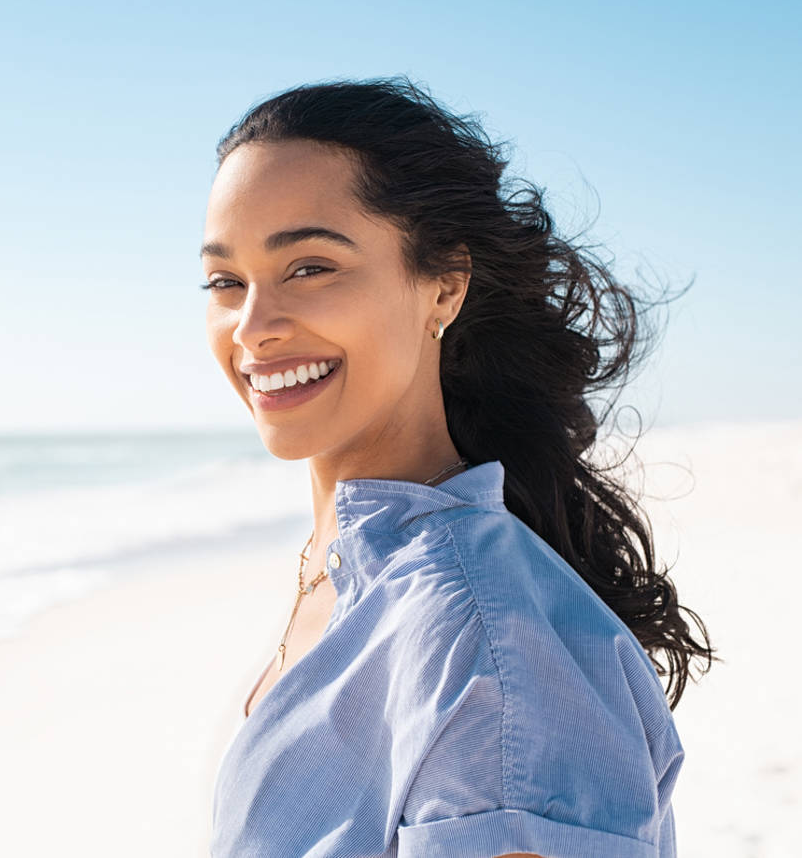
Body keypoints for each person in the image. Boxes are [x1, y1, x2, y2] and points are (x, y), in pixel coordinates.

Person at [200, 78, 713, 858]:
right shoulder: (350, 565)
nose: (254, 327)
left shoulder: (487, 646)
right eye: (226, 282)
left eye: (310, 268)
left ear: (444, 284)